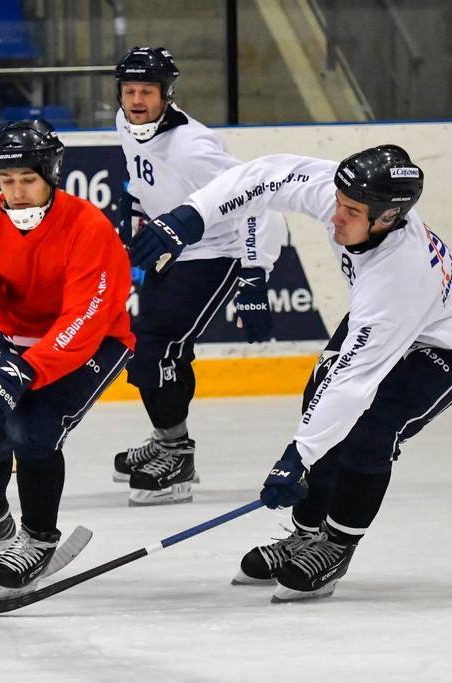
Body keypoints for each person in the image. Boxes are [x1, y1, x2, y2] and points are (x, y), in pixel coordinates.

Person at [130, 144, 452, 601]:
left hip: (446, 349)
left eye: (352, 212)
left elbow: (353, 383)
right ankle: (305, 532)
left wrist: (296, 459)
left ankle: (338, 543)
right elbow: (265, 177)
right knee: (315, 400)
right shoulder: (347, 198)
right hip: (388, 324)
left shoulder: (397, 279)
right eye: (338, 203)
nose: (335, 216)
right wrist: (191, 216)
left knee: (370, 431)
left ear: (385, 219)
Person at [0, 119, 135, 596]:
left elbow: (85, 316)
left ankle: (38, 539)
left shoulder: (88, 228)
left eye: (27, 180)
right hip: (17, 345)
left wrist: (27, 368)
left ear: (50, 175)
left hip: (94, 341)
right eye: (6, 180)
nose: (16, 192)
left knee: (33, 430)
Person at [112, 46, 286, 506]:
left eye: (146, 91)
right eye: (129, 90)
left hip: (220, 247)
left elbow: (255, 199)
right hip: (173, 245)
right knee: (152, 344)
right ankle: (167, 437)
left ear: (167, 94)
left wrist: (253, 277)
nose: (135, 100)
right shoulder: (124, 121)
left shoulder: (194, 147)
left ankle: (177, 454)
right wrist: (136, 212)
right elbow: (140, 175)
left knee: (157, 348)